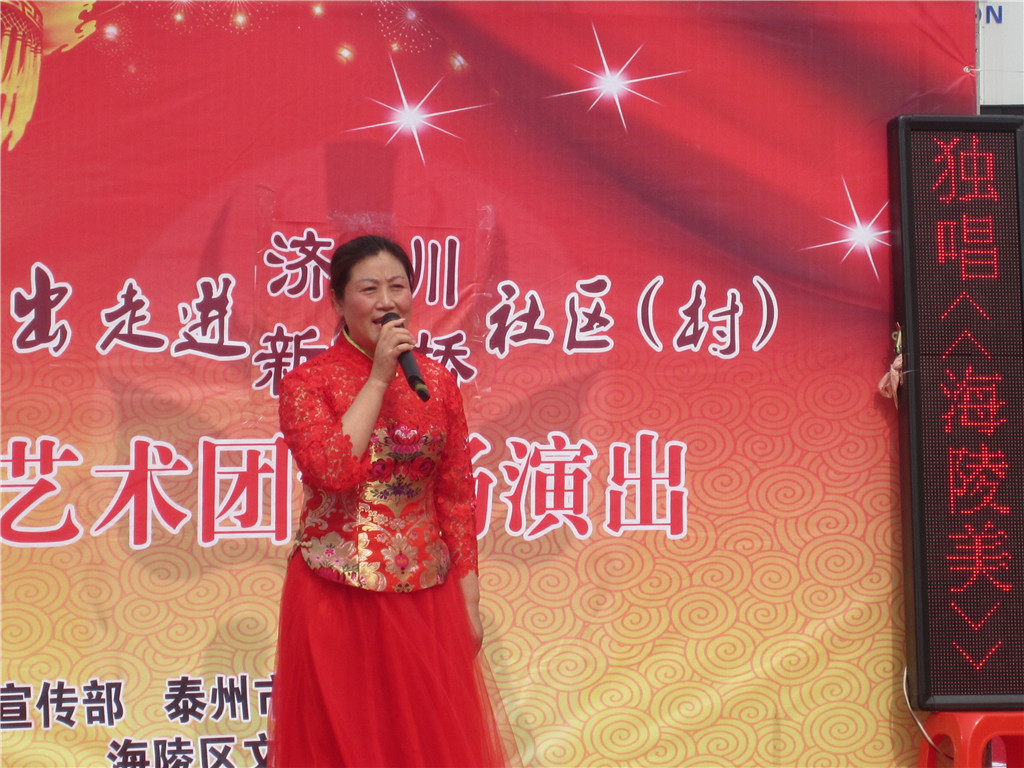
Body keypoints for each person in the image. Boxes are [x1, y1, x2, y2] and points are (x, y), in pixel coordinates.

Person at [268, 235, 510, 767]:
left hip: (426, 594)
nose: (386, 302)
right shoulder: (308, 383)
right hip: (337, 591)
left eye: (397, 287)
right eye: (369, 289)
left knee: (422, 744)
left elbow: (455, 496)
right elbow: (332, 470)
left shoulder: (438, 383)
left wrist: (469, 603)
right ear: (337, 301)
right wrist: (379, 376)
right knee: (346, 742)